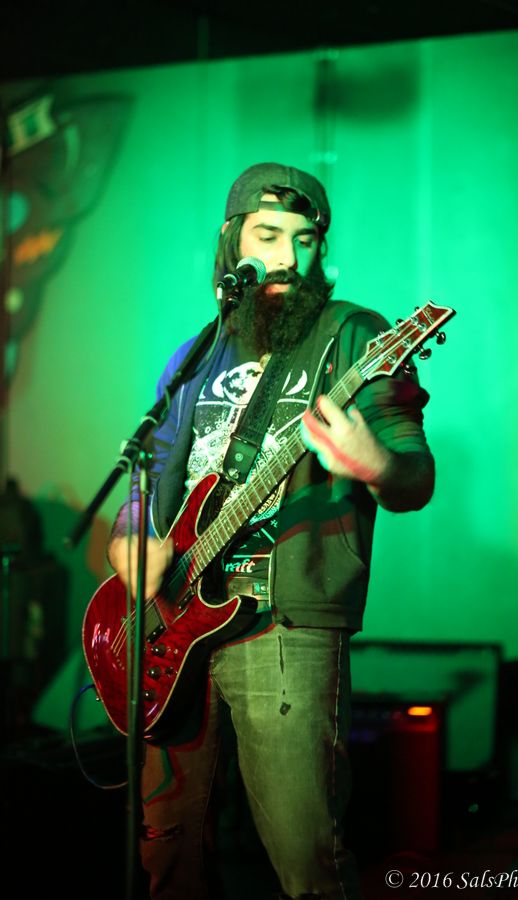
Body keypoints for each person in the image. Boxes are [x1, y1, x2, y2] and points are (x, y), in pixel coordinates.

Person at [108, 162, 435, 900]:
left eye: (305, 239)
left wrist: (376, 464)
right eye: (267, 236)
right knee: (165, 857)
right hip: (173, 627)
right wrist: (129, 539)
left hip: (283, 626)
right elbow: (144, 479)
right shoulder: (198, 353)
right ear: (232, 244)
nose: (288, 257)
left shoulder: (354, 334)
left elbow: (415, 475)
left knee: (305, 859)